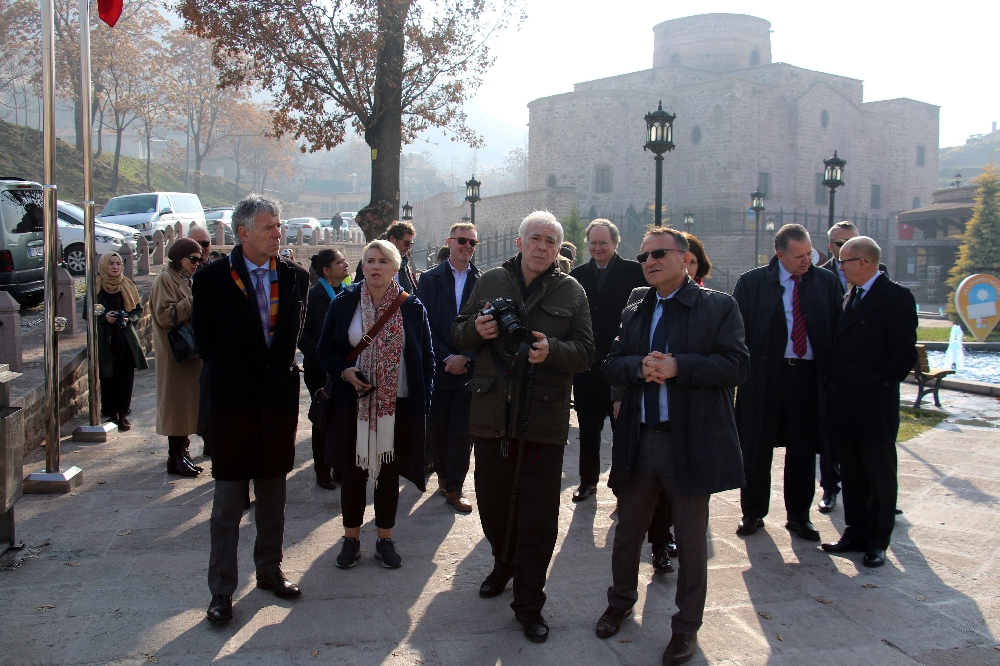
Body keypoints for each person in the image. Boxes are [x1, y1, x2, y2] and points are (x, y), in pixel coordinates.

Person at [598, 227, 749, 664]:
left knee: (690, 538)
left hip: (690, 438)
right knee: (628, 530)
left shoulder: (718, 306)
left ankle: (686, 627)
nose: (649, 261)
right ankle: (620, 601)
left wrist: (680, 366)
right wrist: (637, 367)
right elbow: (609, 364)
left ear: (686, 259)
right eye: (644, 255)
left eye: (659, 253)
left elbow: (737, 365)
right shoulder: (635, 310)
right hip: (640, 438)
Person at [452, 211, 595, 643]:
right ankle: (504, 561)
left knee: (538, 513)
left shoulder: (571, 291)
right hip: (492, 413)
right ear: (519, 242)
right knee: (494, 501)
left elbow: (587, 352)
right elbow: (458, 334)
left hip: (543, 418)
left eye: (551, 241)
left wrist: (551, 350)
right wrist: (475, 330)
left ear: (557, 250)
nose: (542, 247)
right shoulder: (492, 280)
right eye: (535, 238)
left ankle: (529, 601)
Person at [192, 193, 310, 624]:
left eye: (279, 226)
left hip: (277, 403)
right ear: (243, 233)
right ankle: (222, 590)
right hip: (232, 405)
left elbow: (294, 334)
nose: (277, 233)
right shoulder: (211, 279)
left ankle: (269, 570)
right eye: (268, 227)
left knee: (274, 496)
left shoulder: (296, 277)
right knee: (226, 504)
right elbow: (205, 341)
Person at [317, 240, 434, 570]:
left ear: (395, 268)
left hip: (396, 407)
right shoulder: (344, 303)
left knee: (388, 474)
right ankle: (351, 540)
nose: (376, 266)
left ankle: (385, 539)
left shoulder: (411, 307)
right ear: (363, 266)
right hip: (352, 405)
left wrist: (423, 403)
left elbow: (426, 360)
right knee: (353, 473)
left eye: (383, 261)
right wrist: (344, 370)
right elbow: (325, 349)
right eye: (370, 260)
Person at [732, 224, 841, 542]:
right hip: (764, 378)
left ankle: (798, 517)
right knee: (756, 448)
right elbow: (737, 334)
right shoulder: (753, 283)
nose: (806, 261)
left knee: (803, 451)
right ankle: (752, 513)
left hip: (807, 379)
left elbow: (836, 328)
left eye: (810, 254)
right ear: (780, 255)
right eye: (799, 256)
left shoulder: (826, 282)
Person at [821, 237, 917, 568]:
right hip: (845, 403)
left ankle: (877, 540)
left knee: (879, 476)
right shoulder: (850, 294)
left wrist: (878, 386)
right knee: (853, 474)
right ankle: (855, 532)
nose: (840, 266)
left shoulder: (895, 297)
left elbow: (904, 353)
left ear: (864, 262)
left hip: (873, 404)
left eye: (845, 261)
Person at [568, 220, 645, 502]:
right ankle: (587, 481)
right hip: (587, 365)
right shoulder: (575, 276)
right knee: (588, 428)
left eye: (603, 242)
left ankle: (625, 485)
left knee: (623, 430)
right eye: (593, 242)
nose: (598, 248)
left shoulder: (635, 273)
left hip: (621, 365)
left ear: (615, 243)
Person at [416, 223, 481, 513]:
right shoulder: (430, 279)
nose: (467, 246)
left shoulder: (482, 280)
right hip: (439, 366)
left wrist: (465, 355)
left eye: (473, 243)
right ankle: (444, 477)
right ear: (450, 242)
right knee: (438, 427)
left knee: (462, 430)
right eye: (462, 241)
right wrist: (446, 357)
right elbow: (423, 323)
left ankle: (455, 485)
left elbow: (487, 323)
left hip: (468, 368)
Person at [150, 237, 205, 478]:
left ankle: (183, 453)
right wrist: (194, 300)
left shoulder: (184, 279)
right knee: (176, 406)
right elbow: (164, 315)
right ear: (178, 258)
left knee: (186, 406)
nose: (196, 263)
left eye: (199, 259)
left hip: (188, 354)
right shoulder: (165, 279)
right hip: (175, 353)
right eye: (192, 259)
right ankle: (175, 457)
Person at [300, 248, 350, 490]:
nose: (345, 264)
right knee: (323, 418)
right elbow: (303, 334)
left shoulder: (351, 293)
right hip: (320, 370)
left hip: (346, 369)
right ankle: (322, 470)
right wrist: (323, 356)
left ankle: (340, 466)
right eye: (339, 262)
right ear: (327, 271)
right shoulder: (313, 296)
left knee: (343, 419)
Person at [95, 251, 148, 431]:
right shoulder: (96, 287)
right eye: (111, 263)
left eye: (118, 264)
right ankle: (111, 413)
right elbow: (87, 314)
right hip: (106, 339)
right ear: (103, 265)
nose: (115, 267)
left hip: (125, 338)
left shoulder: (127, 285)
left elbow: (137, 311)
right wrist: (104, 317)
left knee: (126, 377)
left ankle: (123, 413)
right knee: (108, 376)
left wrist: (128, 319)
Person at [189, 225, 214, 457]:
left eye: (204, 244)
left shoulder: (218, 270)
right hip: (185, 348)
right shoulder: (175, 276)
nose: (200, 250)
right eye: (195, 244)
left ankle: (210, 438)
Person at [354, 221, 418, 292]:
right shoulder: (368, 260)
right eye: (406, 243)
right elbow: (358, 290)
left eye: (411, 244)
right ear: (392, 239)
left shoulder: (404, 262)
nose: (408, 247)